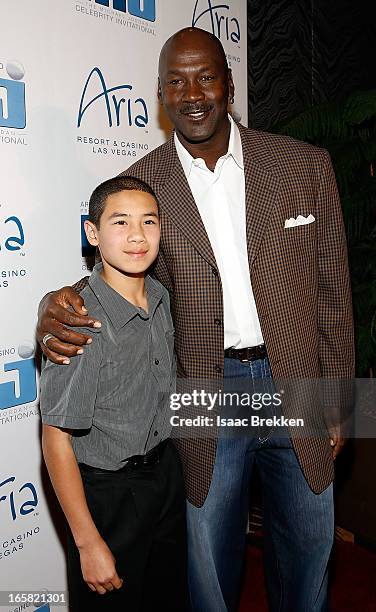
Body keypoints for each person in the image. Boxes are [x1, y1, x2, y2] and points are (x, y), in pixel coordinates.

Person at [37, 27, 354, 612]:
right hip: (203, 394)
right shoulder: (144, 187)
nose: (193, 93)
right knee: (208, 566)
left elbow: (332, 292)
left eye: (205, 76)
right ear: (160, 96)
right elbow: (109, 271)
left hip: (299, 387)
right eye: (175, 82)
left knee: (308, 551)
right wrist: (48, 311)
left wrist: (338, 400)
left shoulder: (301, 166)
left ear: (228, 84)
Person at [40, 176, 187, 612]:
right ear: (93, 233)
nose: (138, 235)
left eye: (149, 221)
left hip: (164, 476)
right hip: (108, 496)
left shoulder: (160, 295)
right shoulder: (78, 321)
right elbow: (55, 438)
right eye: (120, 222)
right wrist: (87, 542)